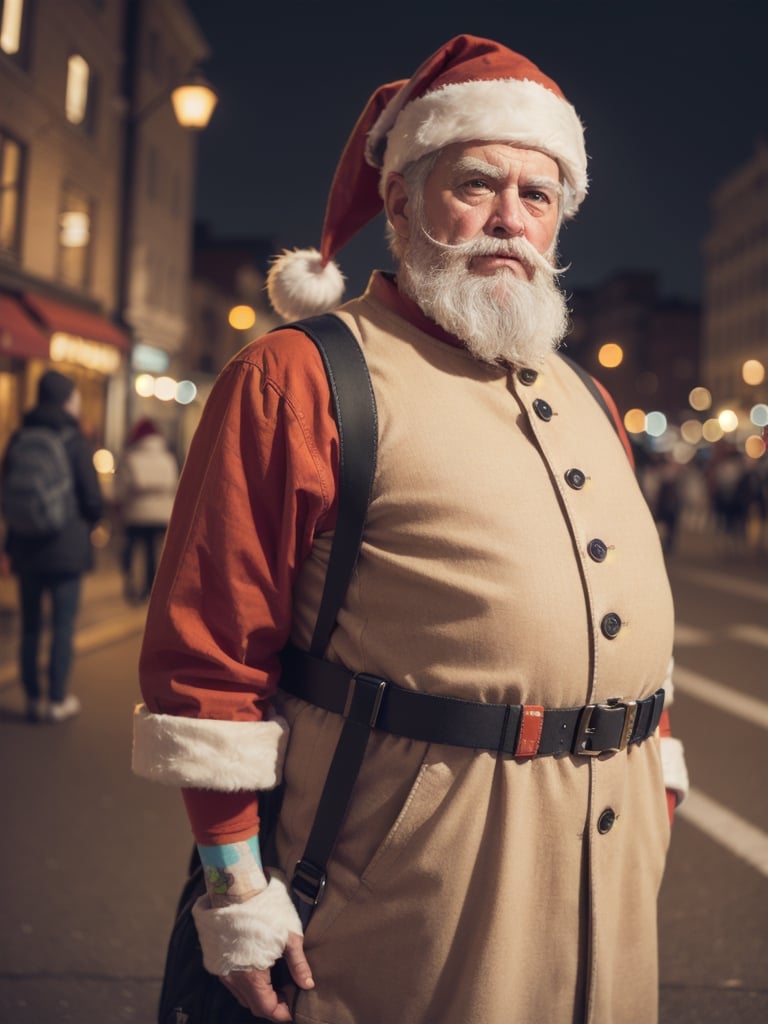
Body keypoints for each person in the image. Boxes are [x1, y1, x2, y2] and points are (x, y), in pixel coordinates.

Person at [132, 35, 690, 1024]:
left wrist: (657, 790)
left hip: (607, 877)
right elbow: (206, 661)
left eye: (540, 194)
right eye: (476, 185)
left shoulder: (592, 396)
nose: (511, 220)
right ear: (399, 201)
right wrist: (236, 888)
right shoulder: (301, 374)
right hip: (405, 891)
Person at [1, 370, 103, 722]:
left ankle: (32, 697)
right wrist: (87, 522)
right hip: (65, 547)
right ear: (65, 399)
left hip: (26, 545)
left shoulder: (19, 436)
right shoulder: (73, 440)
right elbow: (92, 498)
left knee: (30, 625)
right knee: (62, 625)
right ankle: (57, 700)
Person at [114, 417, 179, 603]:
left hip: (136, 513)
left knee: (134, 550)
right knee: (154, 552)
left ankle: (133, 587)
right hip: (161, 514)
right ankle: (152, 588)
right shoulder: (168, 458)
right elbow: (174, 483)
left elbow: (122, 488)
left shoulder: (130, 458)